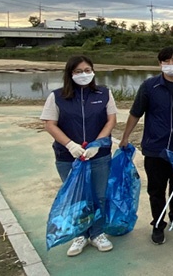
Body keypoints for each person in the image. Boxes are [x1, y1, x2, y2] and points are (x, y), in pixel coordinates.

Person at [40, 55, 117, 256]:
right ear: (70, 74)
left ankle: (98, 233)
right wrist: (70, 145)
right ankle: (80, 235)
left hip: (99, 156)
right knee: (78, 197)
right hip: (68, 157)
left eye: (87, 70)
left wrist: (97, 144)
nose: (84, 74)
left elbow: (110, 121)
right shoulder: (57, 96)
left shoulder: (104, 94)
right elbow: (50, 124)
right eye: (78, 71)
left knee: (99, 195)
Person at [119, 46, 173, 245]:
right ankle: (158, 223)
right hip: (155, 148)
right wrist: (125, 136)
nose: (171, 65)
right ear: (160, 64)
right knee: (156, 189)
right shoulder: (150, 86)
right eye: (166, 61)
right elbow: (136, 112)